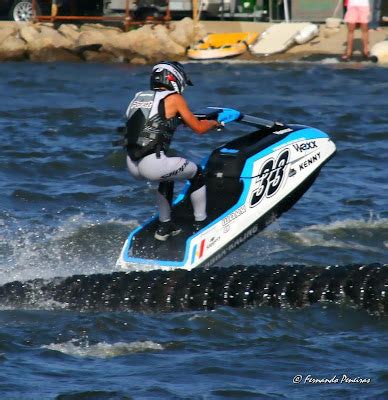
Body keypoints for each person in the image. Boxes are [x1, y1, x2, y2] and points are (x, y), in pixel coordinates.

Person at [124, 61, 240, 241]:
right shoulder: (174, 98)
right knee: (197, 174)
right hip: (152, 164)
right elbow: (199, 129)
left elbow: (150, 124)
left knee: (168, 176)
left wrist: (178, 121)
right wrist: (216, 123)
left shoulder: (138, 97)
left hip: (132, 164)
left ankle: (164, 226)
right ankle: (201, 223)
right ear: (173, 78)